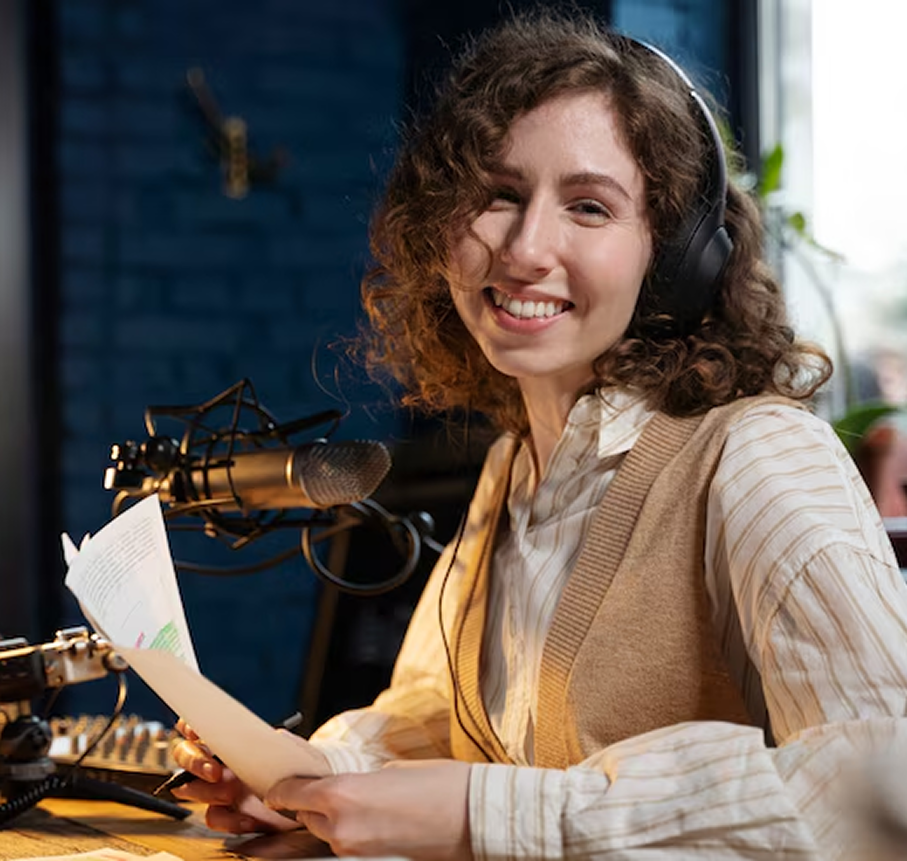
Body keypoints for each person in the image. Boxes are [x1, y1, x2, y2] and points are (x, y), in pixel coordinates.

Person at [171, 9, 907, 859]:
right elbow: (431, 719)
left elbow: (879, 787)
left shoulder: (756, 455)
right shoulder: (512, 468)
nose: (525, 247)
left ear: (669, 255)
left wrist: (488, 815)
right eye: (497, 196)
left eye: (589, 207)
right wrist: (311, 779)